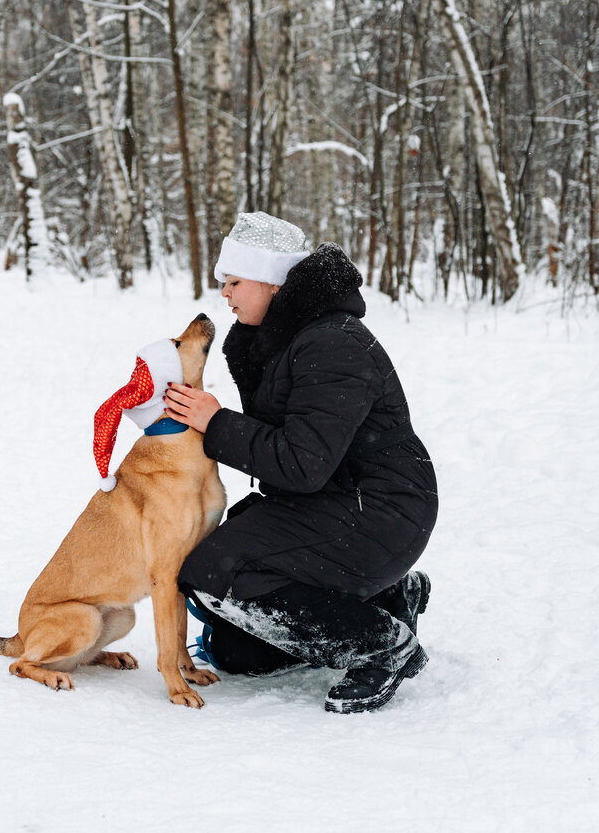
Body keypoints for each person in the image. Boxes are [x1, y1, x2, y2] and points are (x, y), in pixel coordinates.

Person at [164, 212, 438, 713]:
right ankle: (389, 598)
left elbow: (301, 461)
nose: (225, 294)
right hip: (328, 502)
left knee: (213, 573)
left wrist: (217, 423)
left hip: (378, 509)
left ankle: (381, 646)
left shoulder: (333, 343)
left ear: (271, 280)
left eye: (234, 282)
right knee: (236, 652)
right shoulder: (282, 338)